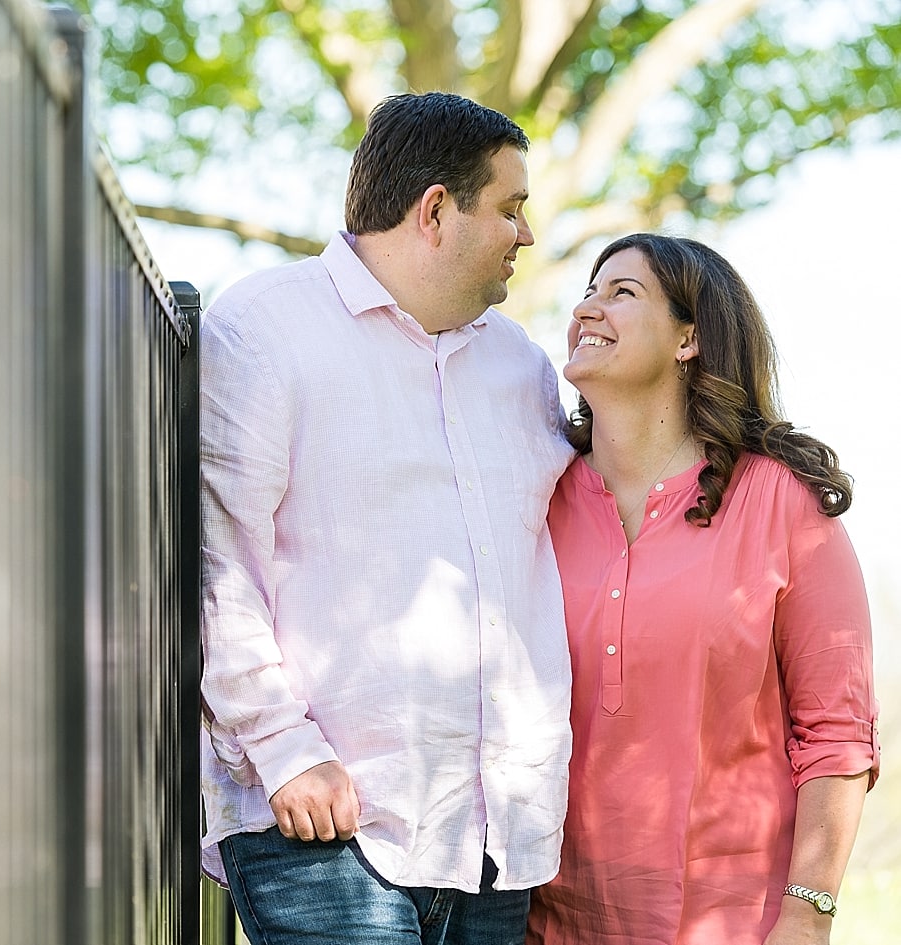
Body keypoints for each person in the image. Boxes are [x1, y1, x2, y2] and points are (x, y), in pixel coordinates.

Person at [199, 91, 576, 945]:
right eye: (511, 208)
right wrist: (286, 751)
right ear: (435, 209)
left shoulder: (521, 367)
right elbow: (219, 564)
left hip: (496, 844)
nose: (526, 234)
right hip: (326, 826)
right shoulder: (263, 330)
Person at [527, 234, 880, 945]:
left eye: (621, 292)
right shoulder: (536, 496)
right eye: (590, 290)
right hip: (543, 922)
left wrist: (806, 916)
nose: (586, 308)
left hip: (732, 922)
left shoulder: (782, 504)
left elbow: (837, 732)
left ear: (691, 337)